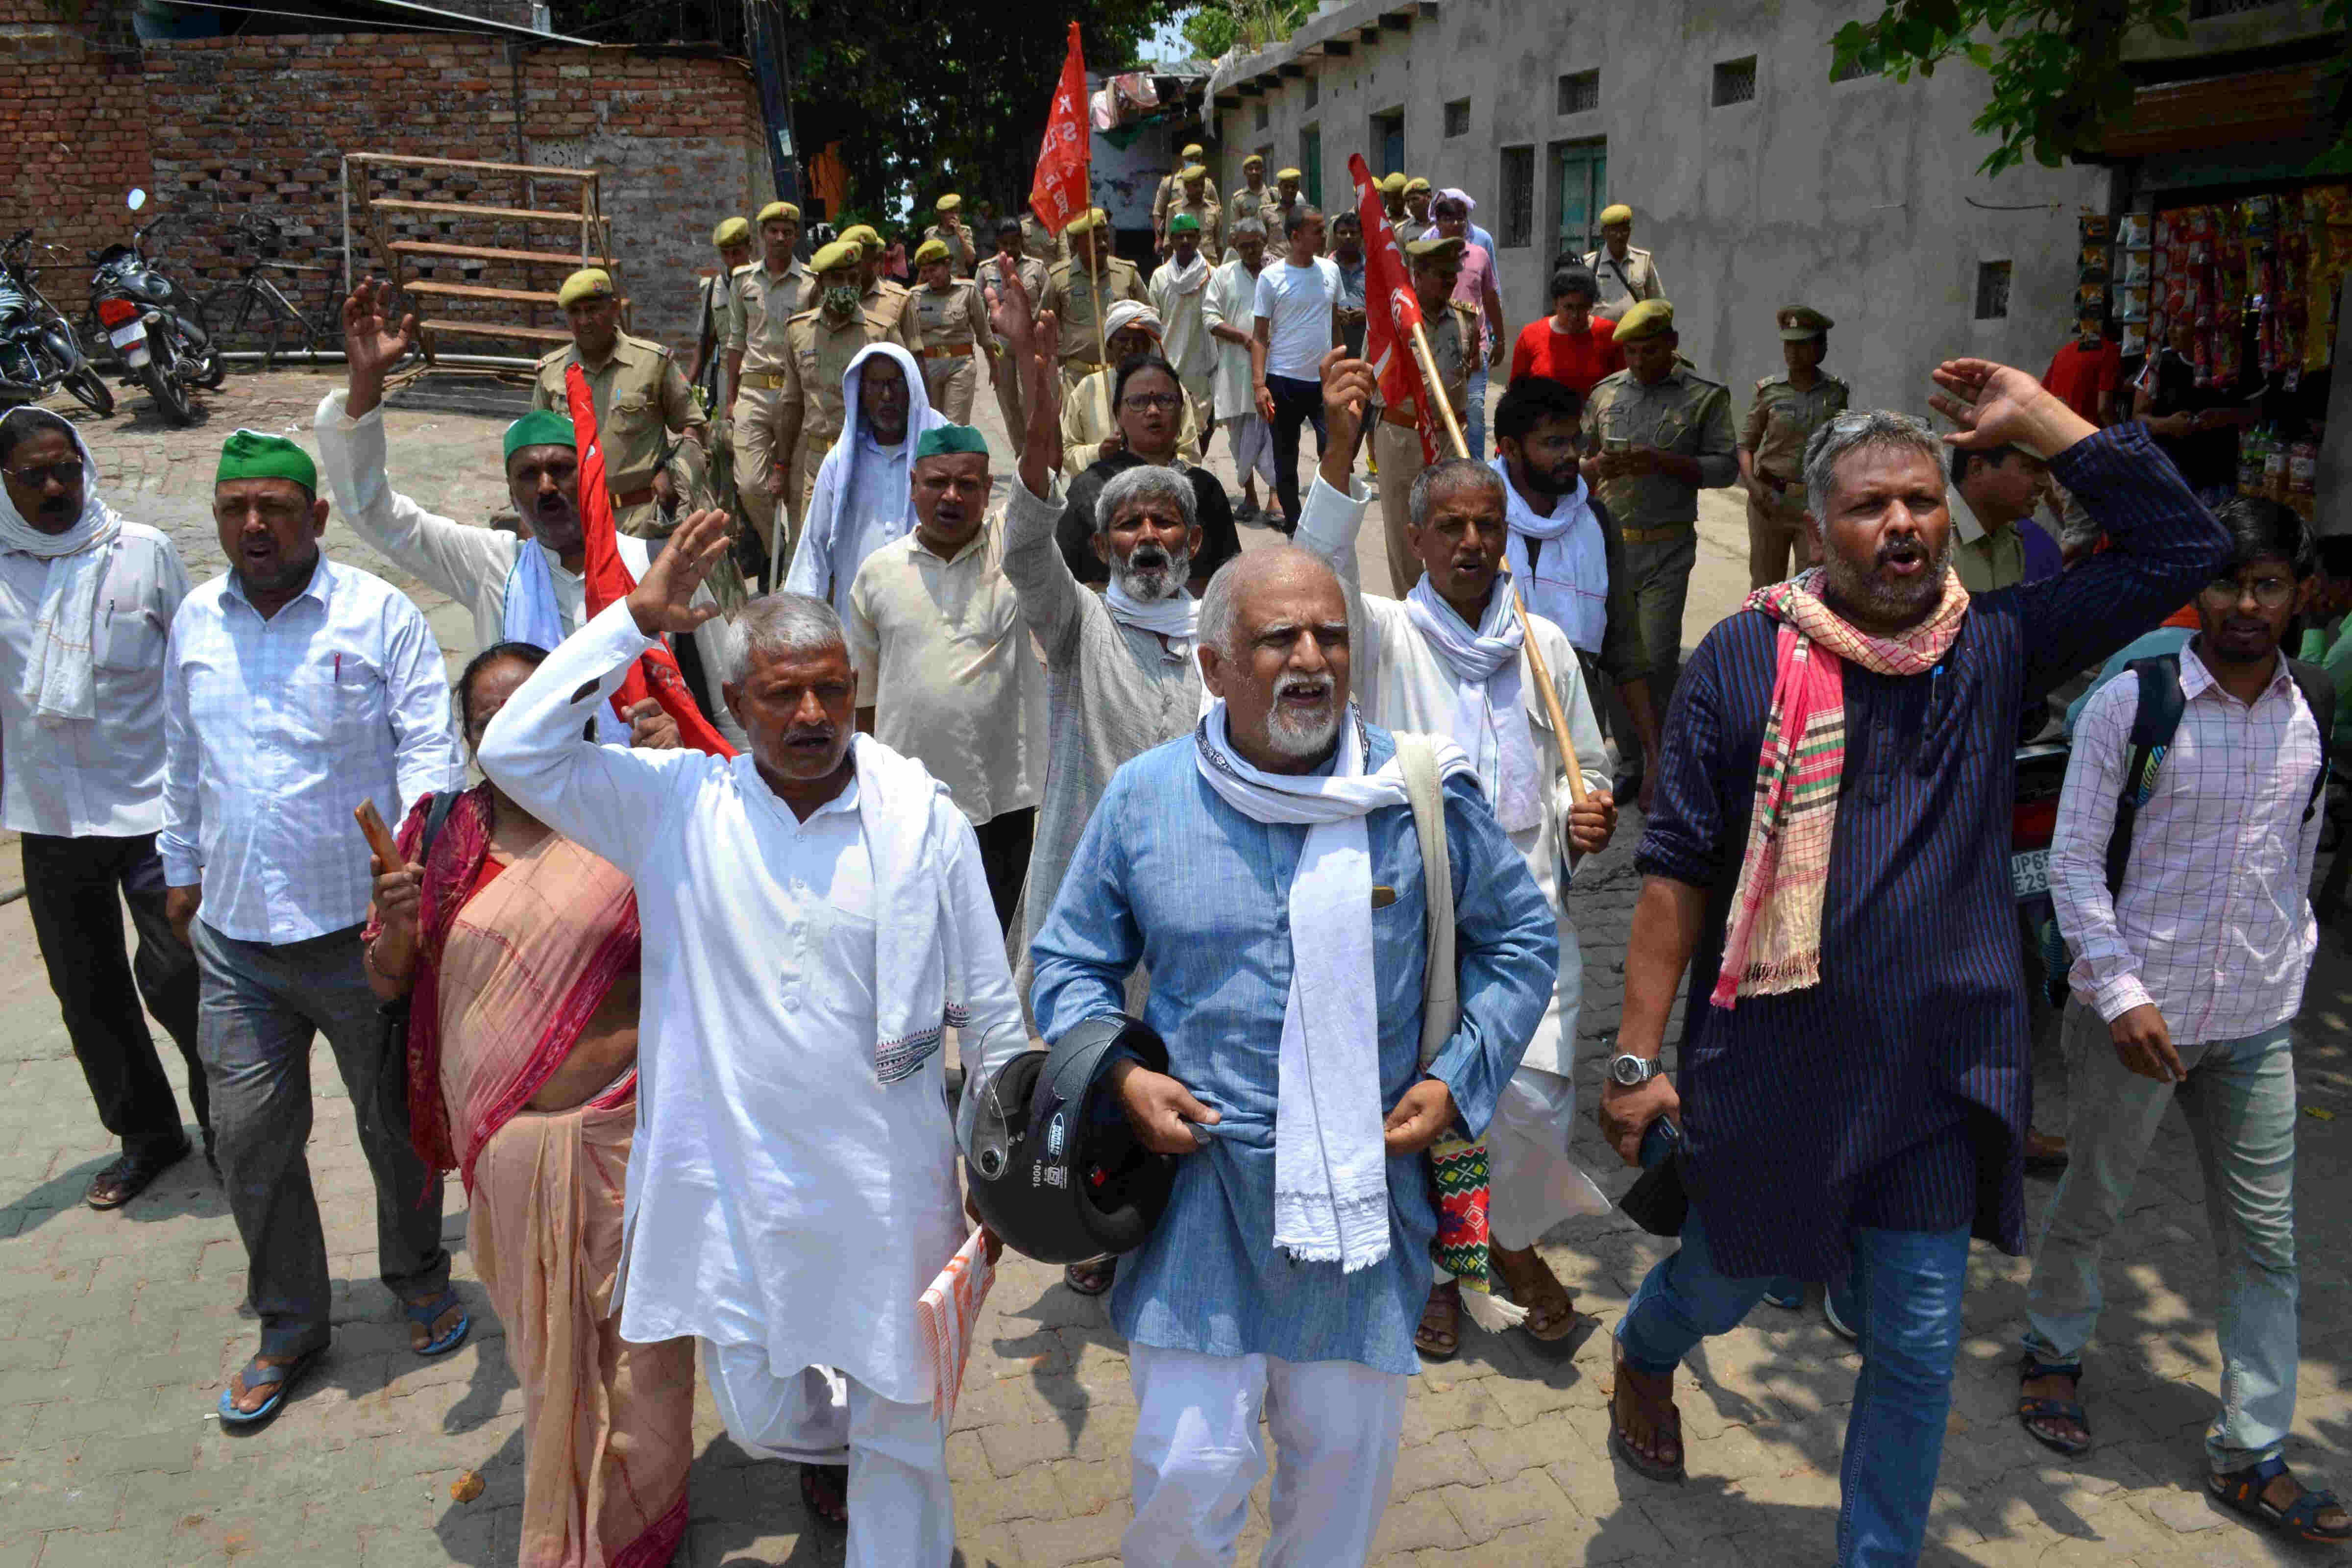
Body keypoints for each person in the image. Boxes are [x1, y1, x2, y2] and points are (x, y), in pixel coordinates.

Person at [1596, 363, 2229, 1565]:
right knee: (1721, 1284)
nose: (1899, 526)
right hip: (1774, 1060)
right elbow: (1675, 869)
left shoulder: (1993, 643)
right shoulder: (1738, 659)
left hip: (1939, 1070)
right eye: (1867, 507)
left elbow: (2177, 544)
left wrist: (2044, 423)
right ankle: (1641, 1350)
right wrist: (1635, 1057)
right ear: (1812, 526)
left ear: (1951, 515)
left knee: (1918, 1342)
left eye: (1920, 502)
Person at [476, 513, 1030, 1567]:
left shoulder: (925, 821)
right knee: (768, 1413)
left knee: (902, 1421)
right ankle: (854, 1447)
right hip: (736, 1188)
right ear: (737, 704)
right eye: (784, 693)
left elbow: (991, 1010)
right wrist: (632, 622)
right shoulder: (679, 806)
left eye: (831, 687)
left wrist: (998, 1176)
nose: (814, 713)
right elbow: (512, 748)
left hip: (891, 1182)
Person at [1030, 539, 1558, 1567]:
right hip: (1197, 1203)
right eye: (1279, 638)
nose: (1312, 658)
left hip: (1364, 1200)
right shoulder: (1145, 798)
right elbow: (1067, 964)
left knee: (1335, 1490)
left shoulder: (1419, 791)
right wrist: (1128, 1078)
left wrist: (1458, 1078)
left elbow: (1522, 942)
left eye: (1331, 636)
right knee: (1186, 1477)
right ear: (1215, 665)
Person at [2017, 497, 2348, 1547]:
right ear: (2195, 589)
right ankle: (2052, 1351)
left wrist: (2286, 974)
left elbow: (2295, 859)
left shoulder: (2316, 707)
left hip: (2255, 1021)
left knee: (2267, 1243)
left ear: (2304, 594)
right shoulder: (2137, 701)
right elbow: (2072, 862)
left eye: (2267, 586)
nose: (2244, 606)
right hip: (2138, 1021)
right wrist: (2118, 993)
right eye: (2226, 584)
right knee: (2096, 1202)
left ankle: (2249, 1449)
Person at [1296, 358, 1619, 1358]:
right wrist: (1341, 451)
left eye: (1490, 526)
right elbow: (1315, 579)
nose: (1475, 541)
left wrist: (1586, 816)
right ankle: (1457, 1267)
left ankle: (1499, 1244)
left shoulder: (1545, 644)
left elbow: (1587, 763)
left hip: (1530, 913)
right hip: (1422, 917)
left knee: (1529, 1094)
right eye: (1453, 527)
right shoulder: (1386, 638)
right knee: (1441, 1104)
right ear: (1418, 541)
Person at [364, 642, 696, 1568]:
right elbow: (391, 985)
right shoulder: (438, 837)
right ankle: (566, 1517)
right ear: (473, 739)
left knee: (645, 1354)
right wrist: (395, 931)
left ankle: (642, 1526)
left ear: (571, 710)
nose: (510, 733)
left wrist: (682, 768)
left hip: (632, 1131)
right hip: (507, 1149)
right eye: (489, 723)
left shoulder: (628, 811)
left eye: (532, 713)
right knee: (547, 1353)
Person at [162, 429, 468, 1428]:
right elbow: (181, 759)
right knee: (249, 1141)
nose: (253, 525)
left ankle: (418, 1271)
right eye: (234, 508)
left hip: (362, 941)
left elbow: (432, 750)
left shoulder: (380, 617)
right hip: (238, 941)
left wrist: (415, 879)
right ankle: (291, 1323)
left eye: (275, 508)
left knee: (397, 1129)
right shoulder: (197, 623)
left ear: (317, 519)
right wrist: (181, 868)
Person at [318, 281, 738, 746]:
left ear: (589, 476)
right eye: (528, 475)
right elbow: (374, 512)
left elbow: (725, 713)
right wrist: (365, 385)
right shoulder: (495, 567)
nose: (545, 487)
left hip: (643, 800)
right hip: (530, 805)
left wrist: (682, 744)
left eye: (561, 470)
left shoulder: (657, 564)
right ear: (511, 492)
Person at [0, 407, 205, 1208]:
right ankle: (148, 1134)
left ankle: (232, 1123)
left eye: (67, 469)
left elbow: (194, 674)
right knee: (87, 992)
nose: (56, 488)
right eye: (34, 476)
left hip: (153, 808)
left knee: (184, 973)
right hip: (50, 815)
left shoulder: (142, 553)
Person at [846, 424, 1046, 929]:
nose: (951, 496)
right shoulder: (877, 572)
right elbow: (862, 695)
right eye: (937, 482)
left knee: (995, 936)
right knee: (916, 933)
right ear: (914, 484)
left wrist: (1034, 374)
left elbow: (1042, 468)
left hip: (1002, 798)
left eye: (968, 484)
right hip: (909, 798)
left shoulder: (1013, 554)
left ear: (988, 491)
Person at [1493, 375, 1663, 810]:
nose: (1572, 455)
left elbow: (1624, 646)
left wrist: (1654, 756)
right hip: (1493, 722)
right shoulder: (1478, 519)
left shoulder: (1597, 522)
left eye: (1575, 441)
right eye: (1553, 443)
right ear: (1510, 449)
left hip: (1576, 725)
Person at [1579, 299, 1736, 704]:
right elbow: (1575, 458)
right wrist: (1595, 466)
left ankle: (1661, 751)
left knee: (1654, 658)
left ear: (1672, 343)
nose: (1639, 360)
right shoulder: (1605, 394)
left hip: (1668, 547)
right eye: (1631, 351)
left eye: (1649, 350)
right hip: (1611, 545)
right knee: (1612, 656)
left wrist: (1663, 462)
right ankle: (1630, 757)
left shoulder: (1704, 397)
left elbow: (1725, 468)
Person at [530, 269, 707, 541]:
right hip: (577, 520)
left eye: (593, 309)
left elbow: (693, 425)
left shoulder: (652, 363)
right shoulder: (551, 374)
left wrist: (674, 473)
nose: (585, 320)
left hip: (642, 519)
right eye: (575, 312)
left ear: (614, 309)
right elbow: (536, 449)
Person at [1053, 352, 1241, 593]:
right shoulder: (1091, 489)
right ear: (1118, 414)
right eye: (1139, 401)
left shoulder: (1205, 490)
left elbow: (1231, 584)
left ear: (1182, 411)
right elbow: (1065, 586)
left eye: (1165, 400)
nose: (1153, 411)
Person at [786, 342, 949, 621]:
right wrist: (798, 628)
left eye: (896, 384)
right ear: (861, 392)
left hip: (929, 618)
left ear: (912, 387)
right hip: (858, 623)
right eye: (875, 385)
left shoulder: (943, 451)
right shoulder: (840, 462)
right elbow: (814, 549)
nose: (887, 396)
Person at [1374, 236, 1483, 593]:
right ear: (1417, 274)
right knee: (1404, 530)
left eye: (1453, 276)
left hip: (1449, 438)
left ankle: (1447, 597)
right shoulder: (1394, 320)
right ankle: (1409, 605)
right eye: (1441, 276)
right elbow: (1373, 377)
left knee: (1451, 521)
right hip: (1403, 436)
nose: (1450, 284)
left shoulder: (1464, 319)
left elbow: (1466, 373)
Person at [777, 239, 908, 528]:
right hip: (817, 463)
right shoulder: (798, 332)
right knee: (815, 551)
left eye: (852, 278)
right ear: (821, 284)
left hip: (869, 458)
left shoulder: (881, 332)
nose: (847, 286)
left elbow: (908, 398)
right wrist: (781, 465)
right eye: (838, 279)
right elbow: (791, 404)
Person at [728, 200, 814, 584]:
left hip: (796, 396)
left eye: (787, 232)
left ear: (796, 236)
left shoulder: (811, 283)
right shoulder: (743, 281)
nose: (780, 238)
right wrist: (730, 399)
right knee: (749, 484)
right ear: (761, 235)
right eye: (773, 231)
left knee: (796, 493)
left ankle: (792, 573)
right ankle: (772, 543)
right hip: (753, 392)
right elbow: (734, 342)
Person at [1739, 305, 1850, 590]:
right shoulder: (1769, 391)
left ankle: (1799, 636)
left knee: (1811, 585)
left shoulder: (1836, 392)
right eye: (1789, 345)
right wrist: (1752, 486)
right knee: (1765, 584)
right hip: (1770, 500)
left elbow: (1839, 445)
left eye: (1802, 345)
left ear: (1821, 348)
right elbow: (1746, 445)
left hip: (1814, 502)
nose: (1793, 353)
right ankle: (1763, 636)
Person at [1250, 205, 1341, 531]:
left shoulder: (1331, 271)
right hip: (1283, 382)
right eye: (1316, 230)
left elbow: (1335, 323)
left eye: (1323, 229)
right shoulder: (1271, 279)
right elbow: (1260, 337)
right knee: (1285, 461)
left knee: (1333, 448)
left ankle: (1326, 518)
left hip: (1324, 382)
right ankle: (1295, 525)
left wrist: (1341, 367)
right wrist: (1260, 385)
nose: (1323, 235)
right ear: (1295, 236)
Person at [1058, 301, 1205, 476]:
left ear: (1149, 345)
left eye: (1139, 341)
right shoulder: (1087, 389)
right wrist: (1099, 453)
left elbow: (1190, 453)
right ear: (1110, 344)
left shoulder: (1171, 389)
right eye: (1123, 340)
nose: (1131, 347)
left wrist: (1161, 474)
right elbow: (1067, 452)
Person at [2133, 315, 2260, 505]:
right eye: (2171, 323)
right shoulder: (2158, 362)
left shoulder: (2235, 362)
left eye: (2180, 323)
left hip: (2219, 483)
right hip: (2167, 479)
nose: (2171, 330)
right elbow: (2138, 417)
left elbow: (2260, 412)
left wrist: (2225, 417)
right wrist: (2167, 425)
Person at [1206, 219, 1278, 522]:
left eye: (1256, 244)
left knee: (1275, 432)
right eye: (1244, 245)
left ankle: (1276, 497)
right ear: (1235, 246)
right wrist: (1244, 338)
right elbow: (1210, 317)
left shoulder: (1277, 274)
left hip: (1274, 365)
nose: (1250, 250)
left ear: (1265, 243)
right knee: (1239, 436)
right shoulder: (1223, 276)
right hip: (1236, 371)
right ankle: (1250, 497)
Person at [1431, 193, 1509, 462]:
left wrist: (1500, 339)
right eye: (1448, 218)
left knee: (1474, 410)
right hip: (1438, 344)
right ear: (1438, 222)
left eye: (1460, 219)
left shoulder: (1480, 256)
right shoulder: (1427, 256)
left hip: (1476, 348)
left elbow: (1490, 298)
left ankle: (1476, 468)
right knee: (1440, 410)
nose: (1455, 224)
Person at [1038, 208, 1148, 392]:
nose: (1103, 244)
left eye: (1105, 237)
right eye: (1095, 240)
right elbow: (1043, 325)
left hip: (1122, 375)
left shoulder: (1126, 273)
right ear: (1077, 244)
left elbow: (1148, 319)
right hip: (1078, 380)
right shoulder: (1059, 278)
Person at [1950, 443, 2064, 593]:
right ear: (1977, 468)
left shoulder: (2013, 541)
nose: (2044, 483)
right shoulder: (1931, 538)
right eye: (2032, 468)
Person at [909, 237, 994, 425]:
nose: (931, 277)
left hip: (960, 366)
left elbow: (984, 334)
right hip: (929, 369)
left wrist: (995, 368)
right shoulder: (915, 297)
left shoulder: (968, 290)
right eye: (925, 272)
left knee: (955, 426)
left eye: (934, 270)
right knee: (932, 425)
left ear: (948, 265)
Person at [978, 219, 1049, 440]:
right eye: (1004, 243)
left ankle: (1036, 448)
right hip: (1001, 344)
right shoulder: (985, 270)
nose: (1009, 248)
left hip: (1030, 343)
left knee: (1029, 398)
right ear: (998, 243)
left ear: (1022, 240)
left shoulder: (1037, 268)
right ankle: (1021, 453)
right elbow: (979, 310)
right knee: (1008, 402)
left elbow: (1047, 304)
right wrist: (988, 347)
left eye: (1014, 242)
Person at [1150, 212, 1219, 437]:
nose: (1186, 242)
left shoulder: (1212, 276)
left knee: (1201, 433)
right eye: (1180, 237)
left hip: (1201, 369)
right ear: (1171, 240)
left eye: (1190, 236)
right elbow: (1153, 324)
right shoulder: (1160, 277)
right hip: (1168, 364)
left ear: (1199, 238)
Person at [1508, 265, 1623, 397]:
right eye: (1568, 307)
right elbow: (1516, 394)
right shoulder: (1530, 335)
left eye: (1581, 307)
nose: (1575, 315)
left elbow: (1622, 387)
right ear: (1556, 304)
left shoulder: (1610, 334)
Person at [688, 215, 752, 406]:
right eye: (726, 254)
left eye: (737, 253)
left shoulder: (763, 283)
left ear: (749, 248)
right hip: (726, 377)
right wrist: (688, 383)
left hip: (759, 377)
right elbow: (706, 342)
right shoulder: (714, 288)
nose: (732, 260)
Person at [840, 224, 922, 353]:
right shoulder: (832, 299)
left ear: (877, 260)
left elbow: (915, 355)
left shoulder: (900, 300)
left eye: (860, 259)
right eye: (849, 259)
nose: (853, 266)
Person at [1584, 203, 1664, 323]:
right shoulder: (1590, 264)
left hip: (1636, 337)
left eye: (1624, 231)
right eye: (1614, 231)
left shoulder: (1643, 261)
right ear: (1604, 233)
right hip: (1602, 339)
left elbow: (1657, 303)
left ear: (1630, 231)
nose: (1619, 236)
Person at [2044, 322, 2125, 429]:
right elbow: (2104, 410)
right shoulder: (2110, 351)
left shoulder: (2062, 353)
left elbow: (2045, 398)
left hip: (2060, 436)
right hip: (2090, 437)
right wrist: (2124, 436)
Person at [1155, 149, 1221, 256]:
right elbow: (1158, 212)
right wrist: (1158, 240)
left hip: (1208, 258)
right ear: (1183, 161)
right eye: (1190, 160)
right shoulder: (1169, 183)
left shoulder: (1208, 185)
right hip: (1182, 249)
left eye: (1197, 160)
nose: (1199, 189)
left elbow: (1218, 239)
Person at [1162, 163, 1224, 264]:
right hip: (1185, 267)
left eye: (1202, 185)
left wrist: (1221, 270)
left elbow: (1218, 244)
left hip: (1210, 267)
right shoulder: (1175, 209)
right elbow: (1168, 245)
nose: (1199, 189)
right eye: (1195, 186)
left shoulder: (1214, 209)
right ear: (1186, 186)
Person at [1224, 152, 1279, 260]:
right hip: (1249, 250)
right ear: (1245, 172)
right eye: (1251, 169)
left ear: (1263, 171)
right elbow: (1234, 229)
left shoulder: (1273, 195)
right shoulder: (1239, 198)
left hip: (1271, 251)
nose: (1254, 172)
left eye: (1257, 169)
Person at [920, 193, 976, 277]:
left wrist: (960, 235)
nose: (955, 216)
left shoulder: (965, 231)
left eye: (957, 212)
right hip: (938, 281)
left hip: (960, 280)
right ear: (942, 215)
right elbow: (926, 263)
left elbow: (971, 259)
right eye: (950, 213)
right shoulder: (931, 234)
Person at [1397, 176, 1435, 245]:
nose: (1411, 204)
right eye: (1408, 201)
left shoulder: (1444, 223)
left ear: (1428, 197)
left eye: (1415, 199)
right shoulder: (1402, 231)